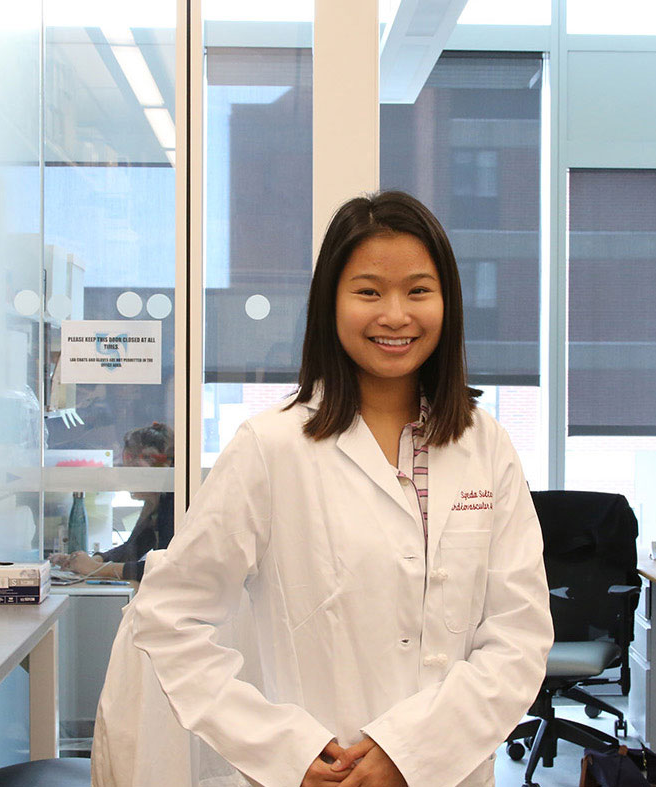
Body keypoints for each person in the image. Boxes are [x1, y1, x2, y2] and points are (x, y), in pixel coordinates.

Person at [125, 191, 553, 787]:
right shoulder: (270, 447)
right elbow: (170, 617)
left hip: (450, 773)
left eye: (419, 291)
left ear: (448, 303)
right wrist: (286, 748)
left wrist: (412, 752)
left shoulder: (486, 447)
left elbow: (519, 635)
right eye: (369, 291)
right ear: (331, 303)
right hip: (319, 775)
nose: (396, 315)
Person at [52, 422, 175, 582]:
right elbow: (133, 548)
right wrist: (93, 560)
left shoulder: (173, 507)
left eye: (131, 471)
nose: (125, 479)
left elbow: (164, 568)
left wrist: (96, 569)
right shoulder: (157, 503)